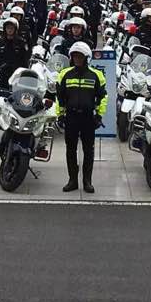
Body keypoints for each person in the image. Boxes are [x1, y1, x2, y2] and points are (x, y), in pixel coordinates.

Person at [56, 41, 107, 194]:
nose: (77, 59)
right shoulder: (64, 74)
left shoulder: (96, 75)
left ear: (86, 57)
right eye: (75, 56)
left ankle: (87, 181)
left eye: (80, 56)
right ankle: (72, 180)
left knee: (88, 151)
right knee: (70, 150)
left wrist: (99, 115)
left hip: (88, 118)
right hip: (71, 117)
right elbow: (60, 97)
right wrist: (60, 115)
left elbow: (103, 97)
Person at [0, 17, 30, 90]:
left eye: (12, 28)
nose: (9, 30)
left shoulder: (21, 42)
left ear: (15, 29)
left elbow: (25, 60)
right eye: (8, 28)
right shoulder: (0, 42)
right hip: (2, 73)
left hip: (16, 74)